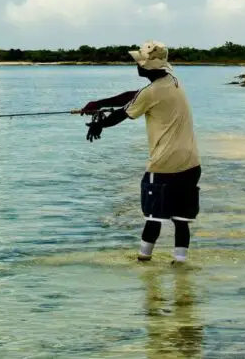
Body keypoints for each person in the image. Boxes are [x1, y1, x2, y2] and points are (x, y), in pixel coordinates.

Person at [79, 41, 201, 264]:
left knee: (153, 218)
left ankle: (143, 262)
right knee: (180, 220)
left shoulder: (150, 92)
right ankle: (181, 265)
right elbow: (134, 96)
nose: (136, 65)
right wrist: (99, 103)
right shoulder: (172, 81)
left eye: (138, 62)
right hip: (191, 163)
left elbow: (122, 114)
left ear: (145, 67)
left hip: (163, 165)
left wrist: (98, 125)